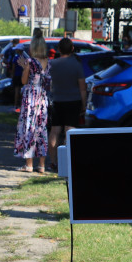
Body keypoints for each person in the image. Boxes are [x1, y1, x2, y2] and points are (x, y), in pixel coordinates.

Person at [46, 37, 87, 170]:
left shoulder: (52, 64)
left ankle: (53, 162)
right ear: (72, 49)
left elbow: (48, 83)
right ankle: (69, 162)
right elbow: (82, 87)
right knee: (70, 131)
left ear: (58, 49)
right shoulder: (76, 64)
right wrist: (84, 105)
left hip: (57, 101)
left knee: (54, 131)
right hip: (73, 101)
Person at [14, 30, 51, 174]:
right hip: (42, 97)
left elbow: (24, 81)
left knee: (28, 128)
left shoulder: (30, 61)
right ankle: (41, 165)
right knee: (41, 129)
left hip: (30, 97)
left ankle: (29, 164)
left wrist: (24, 68)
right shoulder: (48, 62)